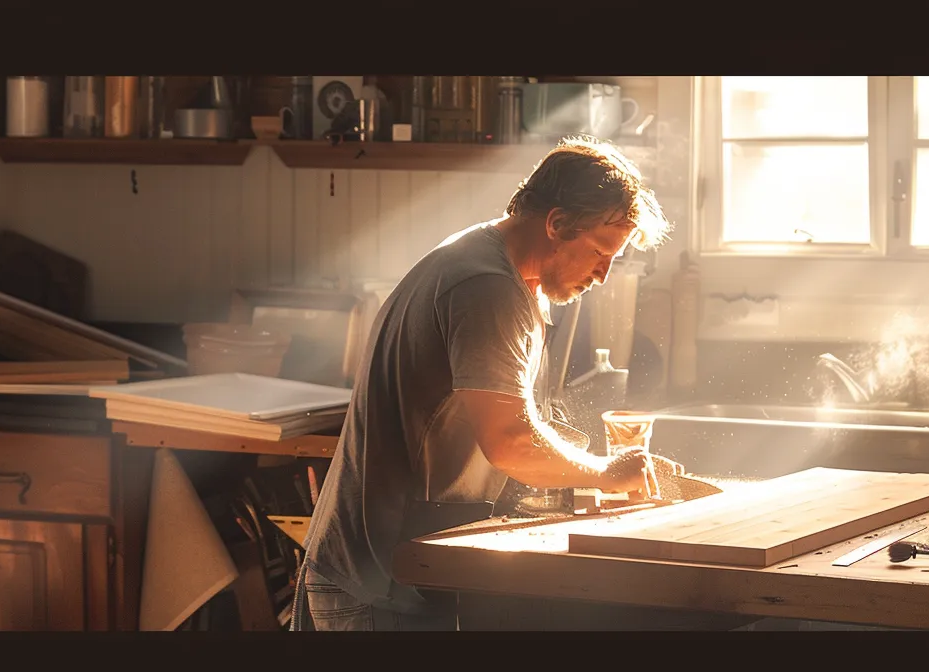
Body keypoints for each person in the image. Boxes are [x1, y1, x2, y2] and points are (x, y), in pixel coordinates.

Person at [291, 136, 681, 631]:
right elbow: (512, 441)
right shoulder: (487, 286)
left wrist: (595, 470)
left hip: (386, 564)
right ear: (557, 224)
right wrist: (605, 472)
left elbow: (505, 422)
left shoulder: (498, 266)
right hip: (383, 579)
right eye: (601, 252)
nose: (603, 275)